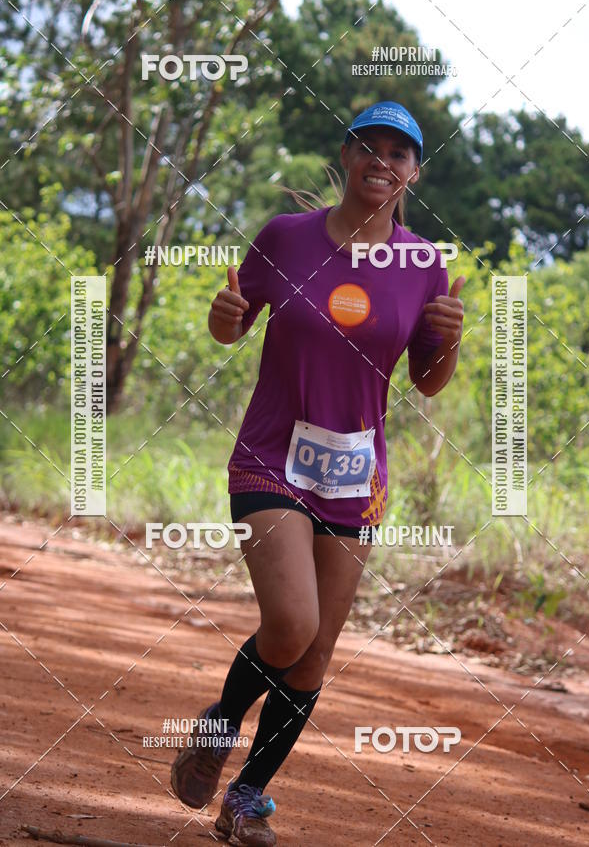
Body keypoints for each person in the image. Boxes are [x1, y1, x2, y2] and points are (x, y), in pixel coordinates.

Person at [171, 100, 465, 846]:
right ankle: (217, 724)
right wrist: (223, 313)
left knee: (317, 651)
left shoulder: (424, 265)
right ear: (346, 153)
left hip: (354, 474)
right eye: (370, 145)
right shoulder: (286, 239)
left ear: (413, 173)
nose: (383, 161)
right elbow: (231, 325)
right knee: (291, 624)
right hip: (271, 456)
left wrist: (449, 341)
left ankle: (246, 797)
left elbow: (428, 382)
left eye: (399, 153)